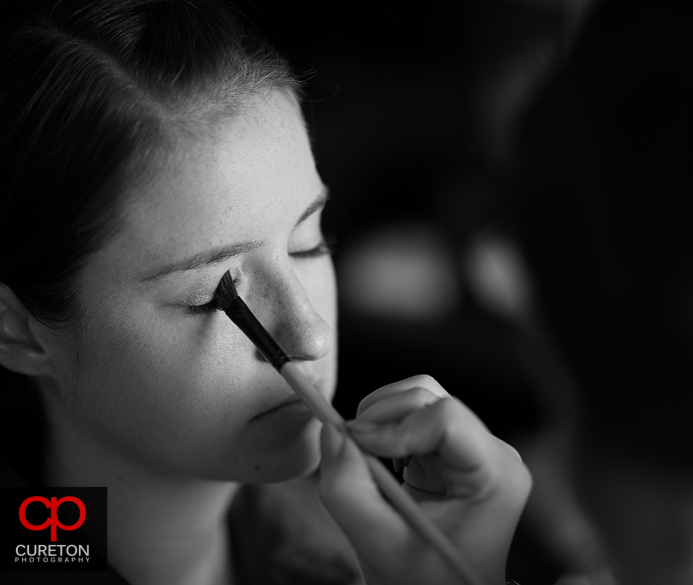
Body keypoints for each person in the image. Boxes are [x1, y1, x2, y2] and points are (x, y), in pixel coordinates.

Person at [0, 1, 532, 584]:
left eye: (309, 243)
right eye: (208, 294)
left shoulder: (360, 550)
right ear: (17, 329)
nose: (311, 334)